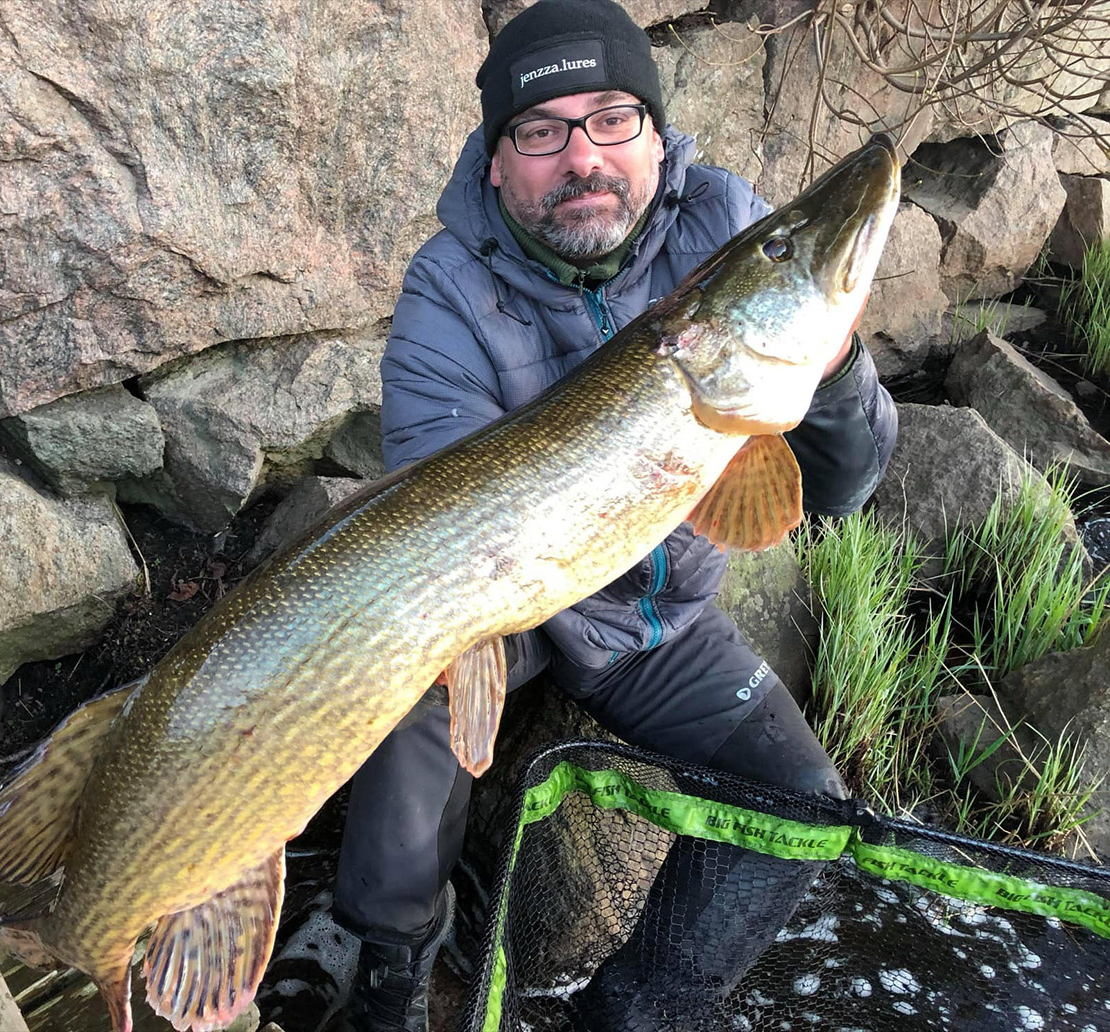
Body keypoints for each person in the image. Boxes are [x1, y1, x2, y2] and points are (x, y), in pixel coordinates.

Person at [331, 1, 897, 1029]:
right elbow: (438, 546)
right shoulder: (445, 295)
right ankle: (392, 970)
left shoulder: (726, 223)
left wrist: (834, 360)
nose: (583, 156)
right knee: (407, 675)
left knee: (801, 809)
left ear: (656, 136)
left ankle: (627, 1015)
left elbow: (844, 484)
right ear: (495, 164)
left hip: (655, 624)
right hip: (515, 611)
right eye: (542, 131)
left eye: (612, 119)